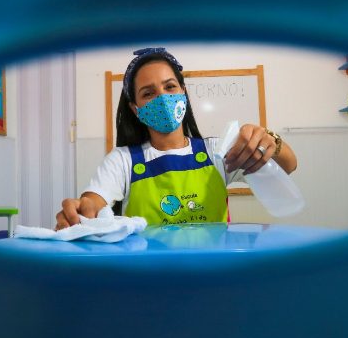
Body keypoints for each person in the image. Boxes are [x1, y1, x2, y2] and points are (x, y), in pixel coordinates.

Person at [56, 47, 297, 228]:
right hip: (150, 279)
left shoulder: (220, 151)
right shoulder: (122, 161)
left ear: (183, 92)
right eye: (148, 93)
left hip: (211, 275)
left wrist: (269, 140)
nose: (162, 98)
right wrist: (81, 210)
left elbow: (288, 166)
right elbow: (93, 201)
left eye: (170, 87)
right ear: (135, 109)